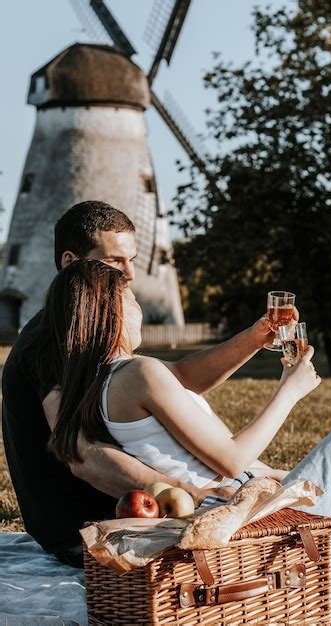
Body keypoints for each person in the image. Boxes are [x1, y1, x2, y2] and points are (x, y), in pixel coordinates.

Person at [40, 260, 331, 570]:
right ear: (113, 309)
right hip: (240, 523)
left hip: (237, 522)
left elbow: (188, 375)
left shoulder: (90, 386)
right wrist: (290, 389)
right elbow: (231, 460)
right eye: (132, 298)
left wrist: (255, 336)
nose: (139, 309)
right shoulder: (138, 374)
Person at [2, 201, 289, 567]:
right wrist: (189, 496)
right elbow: (83, 455)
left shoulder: (88, 332)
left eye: (132, 259)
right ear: (71, 262)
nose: (130, 275)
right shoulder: (52, 341)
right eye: (114, 262)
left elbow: (180, 377)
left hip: (120, 516)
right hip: (88, 529)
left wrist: (253, 339)